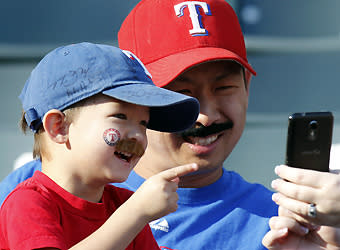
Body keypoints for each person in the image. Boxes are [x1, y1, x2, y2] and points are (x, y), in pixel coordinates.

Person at [1, 0, 338, 249]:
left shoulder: (287, 223)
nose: (205, 115)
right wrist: (136, 212)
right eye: (180, 93)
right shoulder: (33, 187)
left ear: (248, 90)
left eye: (224, 88)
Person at [0, 42, 200, 249]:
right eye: (120, 116)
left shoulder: (123, 205)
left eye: (144, 124)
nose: (138, 135)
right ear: (59, 127)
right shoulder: (27, 203)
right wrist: (135, 213)